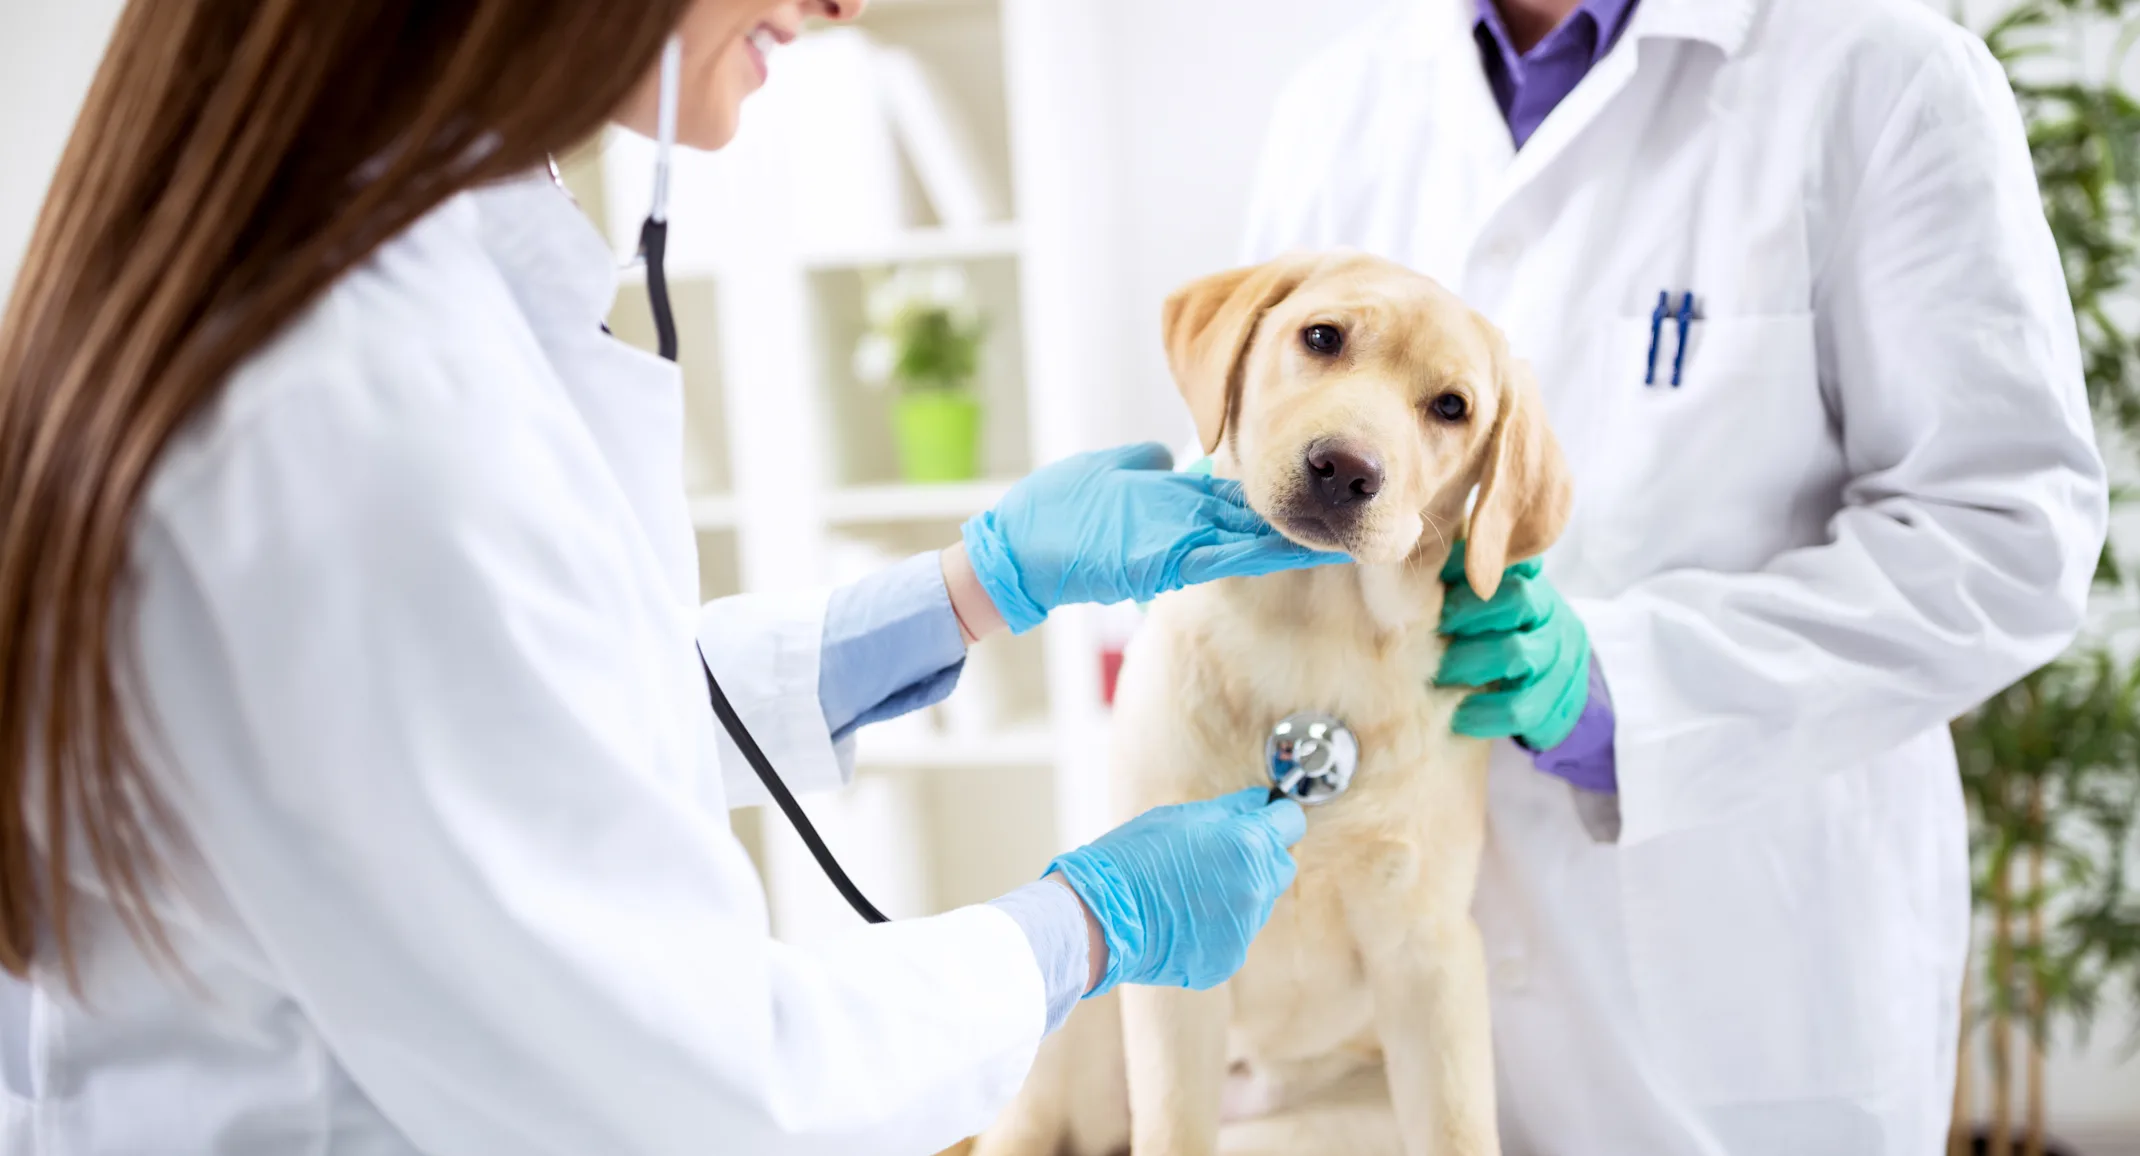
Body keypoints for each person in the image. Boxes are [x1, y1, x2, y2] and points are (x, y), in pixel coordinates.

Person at [0, 1, 1342, 1152]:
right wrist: (1089, 926)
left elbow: (519, 735)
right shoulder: (354, 410)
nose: (845, 3)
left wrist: (971, 590)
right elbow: (705, 1096)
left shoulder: (412, 278)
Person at [1239, 0, 2107, 1152]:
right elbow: (1265, 462)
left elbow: (2003, 535)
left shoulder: (1882, 77)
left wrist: (1623, 689)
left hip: (1734, 1006)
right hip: (1375, 1032)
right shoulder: (1337, 105)